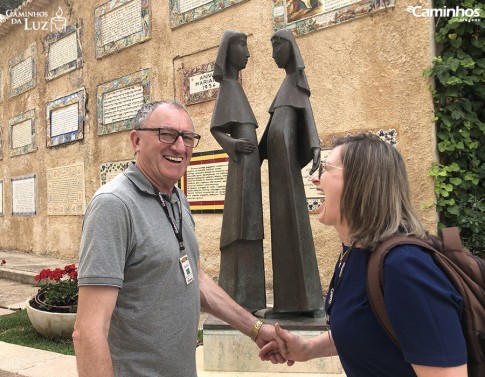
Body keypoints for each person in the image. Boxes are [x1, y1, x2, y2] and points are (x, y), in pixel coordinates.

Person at [73, 100, 280, 377]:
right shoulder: (114, 205)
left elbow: (195, 277)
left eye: (188, 138)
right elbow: (89, 330)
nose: (180, 147)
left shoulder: (176, 197)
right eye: (166, 134)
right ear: (136, 140)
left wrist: (255, 329)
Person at [259, 133, 468, 377]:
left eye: (325, 169)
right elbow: (368, 328)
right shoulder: (354, 253)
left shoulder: (405, 267)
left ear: (360, 183)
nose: (315, 178)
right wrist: (307, 349)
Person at [259, 29, 323, 316]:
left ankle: (303, 301)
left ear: (289, 49)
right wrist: (256, 155)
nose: (273, 55)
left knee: (292, 226)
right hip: (277, 167)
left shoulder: (296, 83)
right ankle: (288, 301)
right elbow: (272, 128)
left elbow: (306, 115)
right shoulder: (284, 85)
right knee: (282, 227)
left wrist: (315, 145)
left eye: (276, 48)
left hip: (286, 167)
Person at [210, 30, 266, 313]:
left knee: (252, 226)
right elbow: (216, 129)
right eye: (242, 45)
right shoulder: (228, 88)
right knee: (242, 225)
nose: (247, 52)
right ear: (229, 51)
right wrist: (234, 144)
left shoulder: (237, 88)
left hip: (249, 171)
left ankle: (252, 297)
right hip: (241, 170)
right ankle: (238, 294)